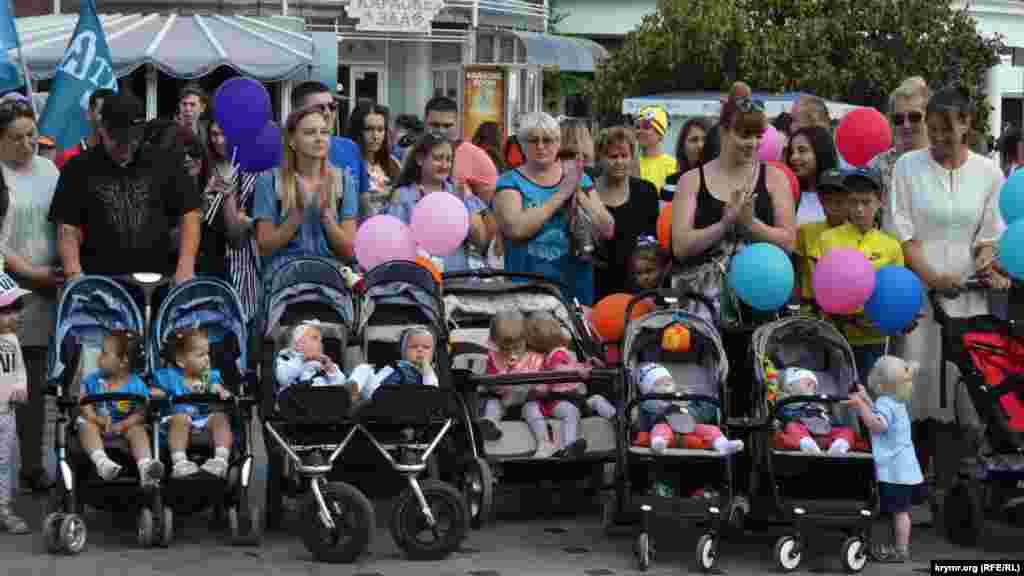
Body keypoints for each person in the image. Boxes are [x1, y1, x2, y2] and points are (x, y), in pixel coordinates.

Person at [886, 87, 1009, 479]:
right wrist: (933, 278)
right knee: (913, 382)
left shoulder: (989, 172)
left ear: (966, 124)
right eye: (933, 128)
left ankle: (957, 483)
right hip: (919, 297)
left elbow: (989, 235)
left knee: (965, 386)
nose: (938, 138)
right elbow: (902, 233)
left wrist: (984, 264)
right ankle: (909, 480)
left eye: (946, 130)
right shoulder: (907, 167)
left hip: (968, 298)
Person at [671, 81, 796, 323]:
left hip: (760, 304)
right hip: (702, 310)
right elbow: (681, 246)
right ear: (724, 132)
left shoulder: (775, 178)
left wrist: (751, 225)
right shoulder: (691, 181)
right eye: (745, 135)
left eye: (758, 136)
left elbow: (789, 243)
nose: (753, 143)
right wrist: (724, 224)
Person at [49, 90, 201, 285]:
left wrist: (186, 267)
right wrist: (74, 275)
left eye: (132, 141)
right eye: (118, 141)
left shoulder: (165, 161)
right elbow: (67, 227)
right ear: (102, 129)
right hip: (102, 283)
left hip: (159, 281)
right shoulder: (78, 168)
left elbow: (189, 214)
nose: (126, 148)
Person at [0, 98, 63, 493]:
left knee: (36, 383)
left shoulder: (49, 170)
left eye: (31, 136)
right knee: (8, 383)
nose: (26, 145)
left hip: (47, 290)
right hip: (8, 290)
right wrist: (29, 272)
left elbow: (63, 222)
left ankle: (33, 465)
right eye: (16, 138)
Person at [493, 112, 615, 306]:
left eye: (548, 140)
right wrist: (561, 194)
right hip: (527, 291)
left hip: (574, 289)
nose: (541, 146)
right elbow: (516, 229)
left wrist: (579, 195)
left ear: (558, 143)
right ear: (521, 144)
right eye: (533, 140)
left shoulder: (579, 178)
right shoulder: (509, 181)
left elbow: (607, 229)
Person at [253, 105, 357, 277]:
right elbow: (264, 248)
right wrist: (296, 216)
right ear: (292, 141)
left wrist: (326, 216)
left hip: (330, 277)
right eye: (310, 133)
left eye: (324, 132)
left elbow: (348, 251)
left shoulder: (344, 181)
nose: (319, 138)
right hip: (285, 277)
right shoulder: (269, 181)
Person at [819, 169, 905, 377]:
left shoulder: (891, 245)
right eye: (853, 202)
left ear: (880, 202)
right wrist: (846, 317)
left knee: (875, 390)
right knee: (842, 390)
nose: (859, 209)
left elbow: (897, 292)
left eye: (866, 202)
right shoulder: (827, 239)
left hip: (877, 338)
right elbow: (823, 288)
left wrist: (898, 317)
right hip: (838, 336)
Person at [848, 356, 925, 563]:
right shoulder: (895, 401)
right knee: (900, 511)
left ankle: (900, 550)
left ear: (880, 381)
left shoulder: (886, 403)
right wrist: (866, 399)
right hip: (904, 469)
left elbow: (878, 425)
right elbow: (880, 413)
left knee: (899, 512)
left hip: (895, 470)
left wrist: (860, 406)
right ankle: (897, 547)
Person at [386, 133, 489, 274]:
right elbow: (394, 245)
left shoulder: (459, 192)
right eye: (438, 158)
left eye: (449, 159)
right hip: (418, 279)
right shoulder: (403, 196)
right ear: (420, 159)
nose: (445, 165)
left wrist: (463, 204)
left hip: (456, 277)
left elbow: (480, 240)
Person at [77, 331, 164, 485]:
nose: (99, 357)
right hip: (97, 423)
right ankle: (102, 463)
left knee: (138, 430)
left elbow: (140, 413)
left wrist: (124, 424)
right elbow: (84, 402)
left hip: (125, 426)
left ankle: (145, 467)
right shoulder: (92, 380)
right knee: (85, 425)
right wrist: (94, 418)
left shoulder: (136, 384)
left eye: (104, 353)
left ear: (123, 361)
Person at [151, 327, 233, 479]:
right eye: (201, 355)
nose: (207, 359)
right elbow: (154, 391)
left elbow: (216, 386)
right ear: (181, 361)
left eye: (208, 353)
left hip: (204, 419)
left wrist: (220, 390)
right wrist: (158, 393)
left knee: (221, 418)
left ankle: (220, 460)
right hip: (176, 418)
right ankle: (180, 462)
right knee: (181, 419)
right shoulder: (169, 377)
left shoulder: (208, 377)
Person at [592, 126, 659, 299]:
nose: (619, 162)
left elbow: (652, 240)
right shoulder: (589, 190)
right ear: (600, 158)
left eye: (624, 156)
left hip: (635, 285)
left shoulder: (646, 191)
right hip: (594, 282)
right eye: (613, 156)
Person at [290, 81, 369, 224]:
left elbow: (363, 201)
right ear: (298, 112)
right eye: (319, 108)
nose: (327, 113)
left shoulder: (350, 148)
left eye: (332, 107)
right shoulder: (285, 154)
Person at [633, 362, 744, 454]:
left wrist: (694, 401)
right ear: (649, 391)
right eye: (658, 384)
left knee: (711, 429)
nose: (666, 384)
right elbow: (650, 415)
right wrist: (667, 404)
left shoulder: (684, 395)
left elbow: (706, 412)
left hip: (691, 425)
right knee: (659, 428)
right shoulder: (649, 402)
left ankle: (723, 444)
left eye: (669, 381)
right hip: (667, 426)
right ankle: (659, 444)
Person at [522, 312, 591, 459]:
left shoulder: (556, 353)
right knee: (570, 411)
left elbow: (565, 366)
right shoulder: (552, 355)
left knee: (572, 411)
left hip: (560, 397)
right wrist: (578, 370)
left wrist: (585, 366)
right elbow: (558, 368)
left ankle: (569, 446)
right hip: (553, 399)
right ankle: (566, 444)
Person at [0, 273, 32, 534]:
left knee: (4, 462)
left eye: (17, 309)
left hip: (6, 414)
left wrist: (20, 387)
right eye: (6, 311)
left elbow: (19, 370)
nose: (15, 316)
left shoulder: (12, 341)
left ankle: (4, 509)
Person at [480, 310, 544, 441]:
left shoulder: (534, 357)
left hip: (527, 400)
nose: (511, 352)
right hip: (502, 399)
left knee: (533, 410)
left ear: (526, 341)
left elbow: (543, 385)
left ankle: (544, 440)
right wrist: (502, 377)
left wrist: (533, 385)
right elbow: (490, 384)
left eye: (517, 347)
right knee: (492, 405)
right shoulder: (494, 358)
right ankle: (490, 424)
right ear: (496, 345)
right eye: (504, 348)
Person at [422, 96, 499, 204]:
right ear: (425, 122)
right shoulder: (412, 151)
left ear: (457, 123)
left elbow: (490, 204)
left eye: (447, 125)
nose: (441, 131)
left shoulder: (477, 156)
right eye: (435, 125)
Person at [794, 168, 849, 306]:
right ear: (820, 200)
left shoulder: (858, 233)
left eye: (839, 201)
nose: (833, 206)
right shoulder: (805, 231)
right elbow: (797, 271)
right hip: (811, 303)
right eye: (828, 200)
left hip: (847, 302)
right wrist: (796, 304)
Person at [773, 368, 856, 454]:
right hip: (800, 434)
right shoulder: (785, 403)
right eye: (808, 384)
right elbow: (780, 418)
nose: (813, 387)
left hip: (824, 436)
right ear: (789, 387)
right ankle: (805, 443)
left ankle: (840, 445)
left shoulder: (818, 404)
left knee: (847, 431)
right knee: (791, 426)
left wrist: (827, 418)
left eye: (815, 387)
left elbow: (829, 421)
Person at [347, 103, 401, 221]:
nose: (375, 136)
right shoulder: (347, 164)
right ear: (357, 131)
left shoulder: (393, 163)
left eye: (380, 129)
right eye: (369, 129)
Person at [786, 126, 839, 225]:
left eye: (802, 150)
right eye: (792, 152)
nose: (793, 157)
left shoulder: (843, 194)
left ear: (821, 152)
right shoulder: (786, 193)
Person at [274, 321, 346, 394]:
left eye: (320, 340)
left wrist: (331, 369)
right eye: (315, 338)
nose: (320, 343)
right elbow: (283, 378)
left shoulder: (325, 364)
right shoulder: (285, 359)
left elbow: (341, 387)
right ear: (299, 343)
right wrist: (303, 359)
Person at [55, 88, 114, 170]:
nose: (107, 118)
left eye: (112, 112)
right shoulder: (66, 154)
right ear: (89, 113)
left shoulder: (122, 154)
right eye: (102, 112)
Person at [634, 106, 678, 196]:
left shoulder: (673, 165)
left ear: (660, 135)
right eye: (638, 127)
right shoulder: (631, 164)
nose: (640, 131)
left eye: (646, 127)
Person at [663, 118, 709, 202]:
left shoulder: (724, 180)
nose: (700, 145)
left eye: (705, 139)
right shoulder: (672, 182)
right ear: (682, 147)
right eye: (694, 140)